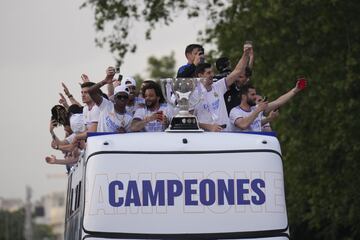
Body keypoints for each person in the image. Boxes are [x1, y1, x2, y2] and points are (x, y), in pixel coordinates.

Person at [191, 46, 251, 132]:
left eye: (212, 72)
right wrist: (210, 127)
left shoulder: (218, 86)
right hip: (207, 137)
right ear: (200, 75)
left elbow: (237, 71)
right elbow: (190, 120)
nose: (212, 75)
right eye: (208, 73)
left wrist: (245, 54)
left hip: (226, 133)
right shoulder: (194, 94)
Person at [229, 81, 306, 132]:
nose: (255, 97)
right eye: (252, 95)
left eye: (255, 94)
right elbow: (243, 125)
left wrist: (295, 90)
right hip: (243, 150)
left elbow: (278, 102)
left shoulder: (256, 108)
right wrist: (258, 110)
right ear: (244, 96)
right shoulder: (235, 111)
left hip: (257, 147)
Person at [88, 67, 133, 133]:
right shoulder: (106, 105)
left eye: (125, 97)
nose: (122, 99)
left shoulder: (129, 118)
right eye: (119, 96)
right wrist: (104, 81)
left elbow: (130, 137)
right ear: (114, 98)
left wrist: (124, 133)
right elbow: (91, 91)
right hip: (100, 142)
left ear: (128, 99)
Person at [224, 44, 254, 114]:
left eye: (240, 77)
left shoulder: (246, 91)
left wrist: (251, 57)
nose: (237, 78)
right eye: (237, 76)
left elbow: (248, 71)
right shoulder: (230, 86)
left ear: (247, 79)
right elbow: (242, 71)